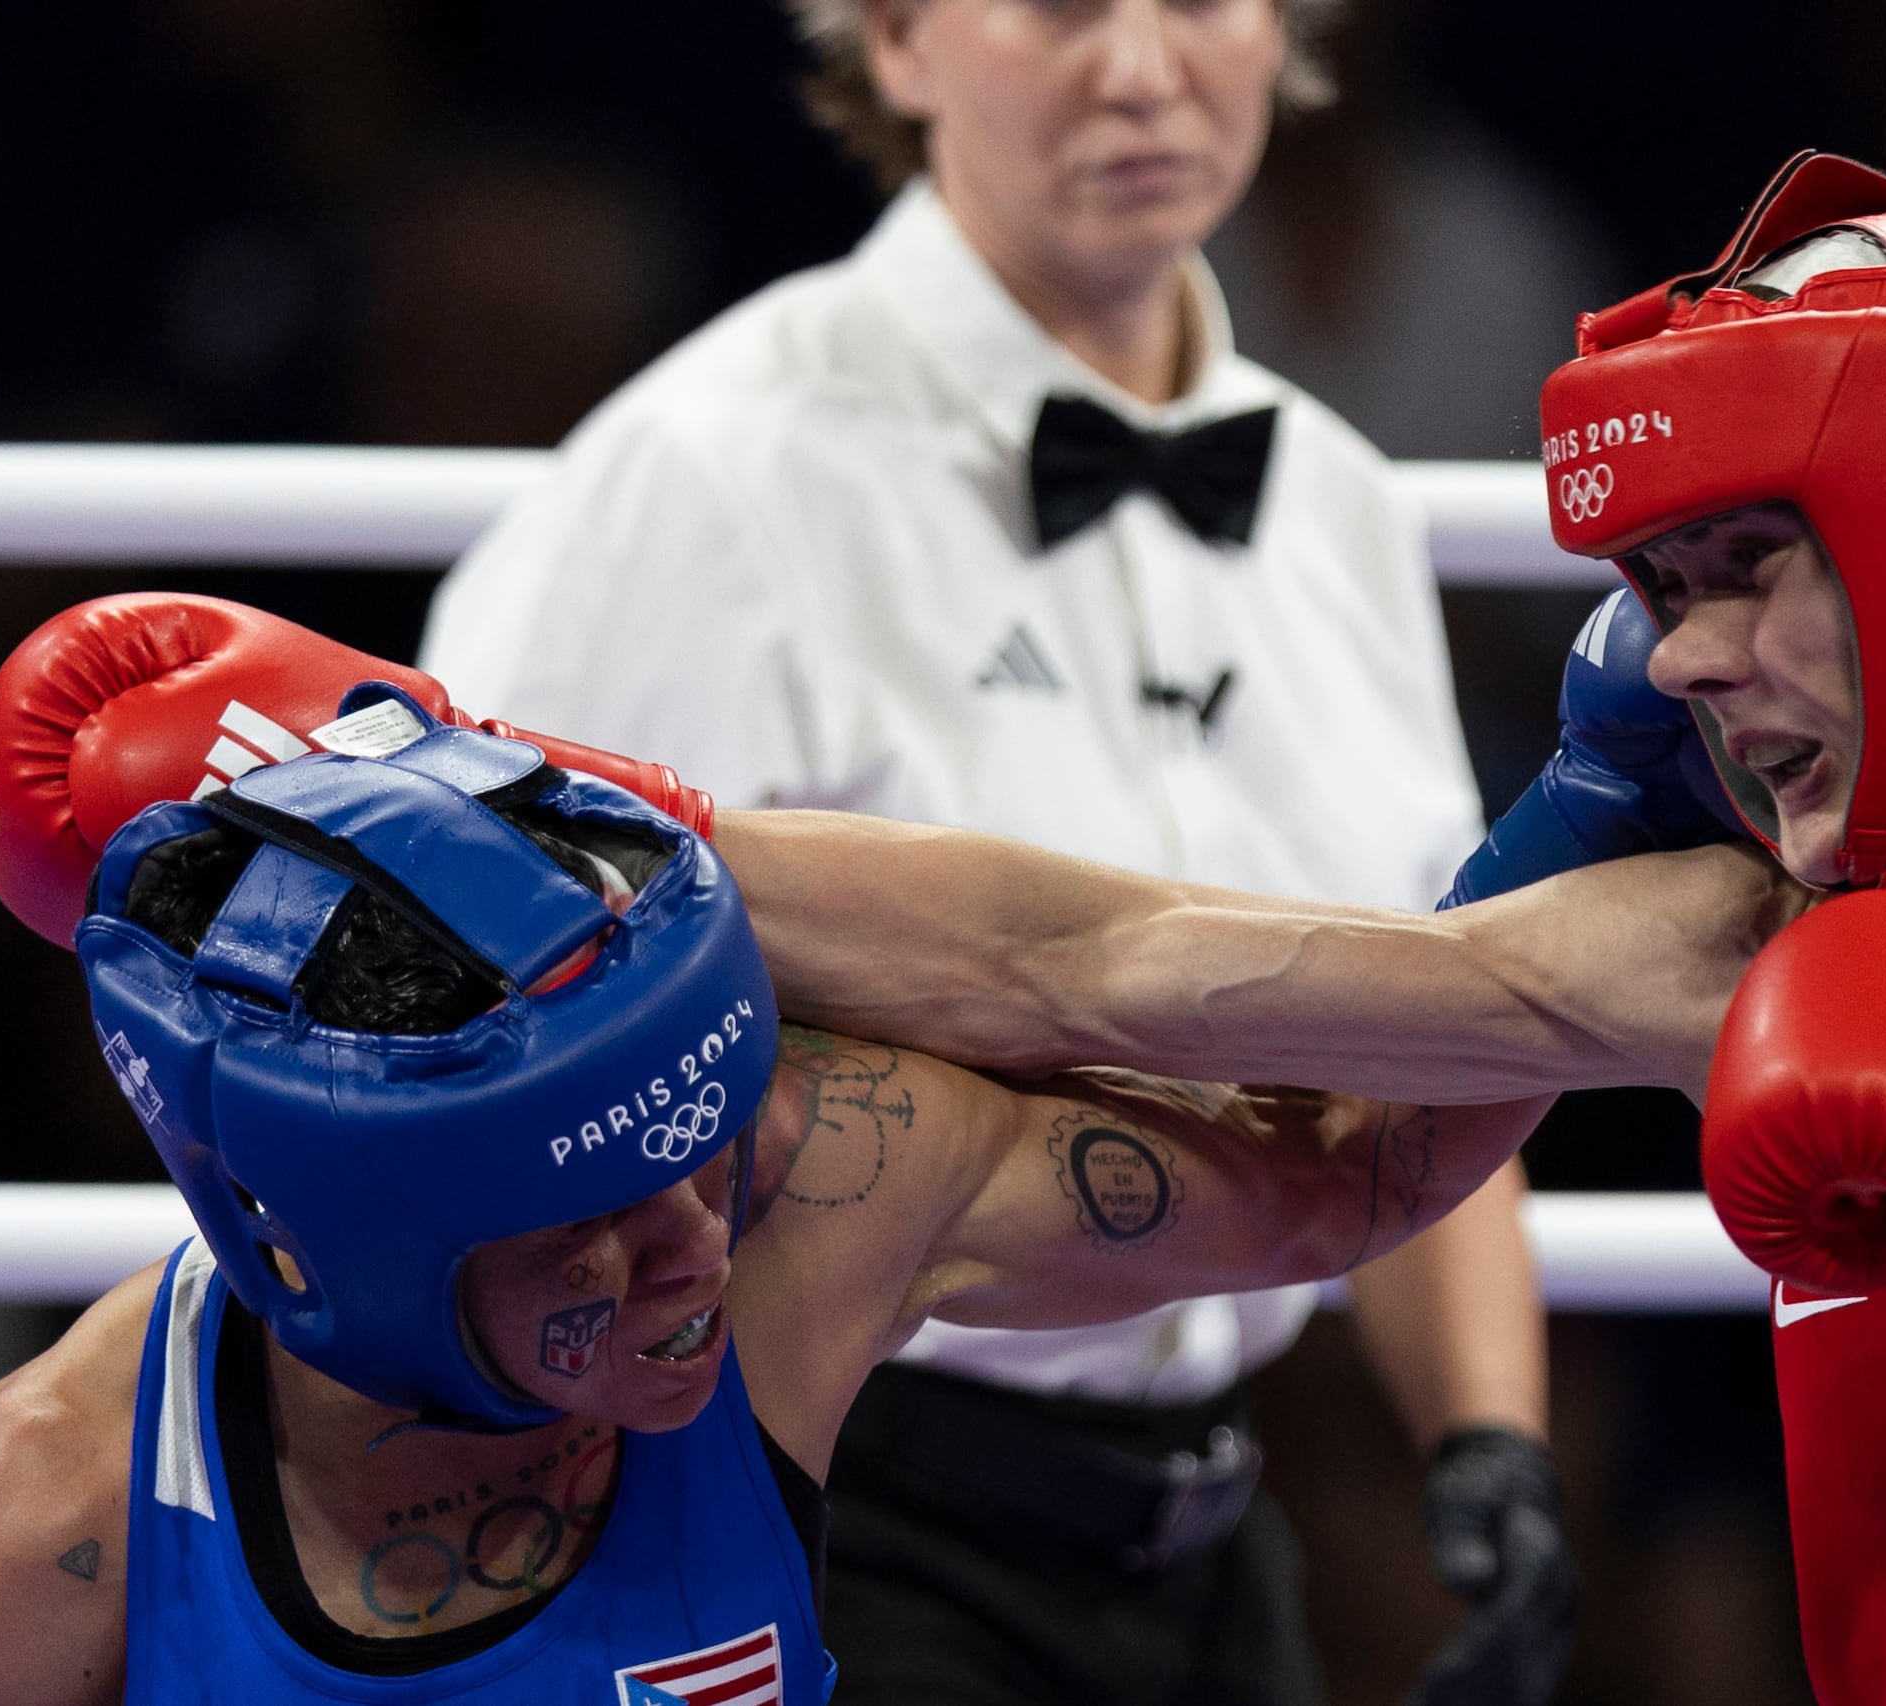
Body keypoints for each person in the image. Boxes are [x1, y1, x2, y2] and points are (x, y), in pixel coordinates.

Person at [557, 154, 1886, 1697]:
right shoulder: (1746, 954)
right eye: (1657, 586)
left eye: (1744, 567)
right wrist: (506, 799)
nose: (1686, 660)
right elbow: (1099, 960)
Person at [411, 0, 1568, 1699]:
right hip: (818, 1502)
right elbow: (479, 1024)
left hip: (1210, 1535)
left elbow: (1429, 1031)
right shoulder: (702, 475)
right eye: (1065, 6)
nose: (1143, 67)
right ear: (893, 41)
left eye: (1198, 3)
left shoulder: (1330, 504)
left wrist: (1490, 1445)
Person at [0, 688, 1548, 1705]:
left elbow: (1339, 1168)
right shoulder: (36, 1525)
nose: (697, 1248)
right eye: (592, 1220)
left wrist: (1608, 792)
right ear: (335, 1259)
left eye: (697, 1155)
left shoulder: (815, 1211)